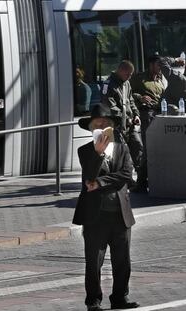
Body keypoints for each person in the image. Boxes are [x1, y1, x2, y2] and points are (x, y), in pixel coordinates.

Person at [74, 104, 139, 311]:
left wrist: (101, 183)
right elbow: (89, 177)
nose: (102, 127)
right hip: (95, 216)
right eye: (97, 124)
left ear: (112, 127)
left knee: (123, 262)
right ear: (91, 128)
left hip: (120, 214)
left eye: (106, 124)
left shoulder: (122, 148)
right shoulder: (85, 151)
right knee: (94, 262)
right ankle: (93, 301)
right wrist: (98, 154)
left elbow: (127, 175)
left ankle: (120, 297)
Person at [101, 60, 143, 180]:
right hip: (115, 125)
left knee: (137, 147)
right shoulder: (107, 85)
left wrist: (136, 114)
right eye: (127, 74)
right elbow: (110, 106)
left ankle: (141, 179)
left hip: (129, 124)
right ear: (120, 70)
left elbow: (131, 101)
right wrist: (125, 118)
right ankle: (124, 180)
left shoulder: (127, 83)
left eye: (131, 75)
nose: (129, 77)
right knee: (120, 153)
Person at [130, 55, 166, 192]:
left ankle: (155, 180)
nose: (160, 68)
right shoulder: (139, 78)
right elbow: (128, 94)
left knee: (157, 149)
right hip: (146, 115)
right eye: (158, 65)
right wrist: (140, 97)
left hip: (159, 115)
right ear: (151, 65)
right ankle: (141, 183)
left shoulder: (161, 80)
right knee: (148, 148)